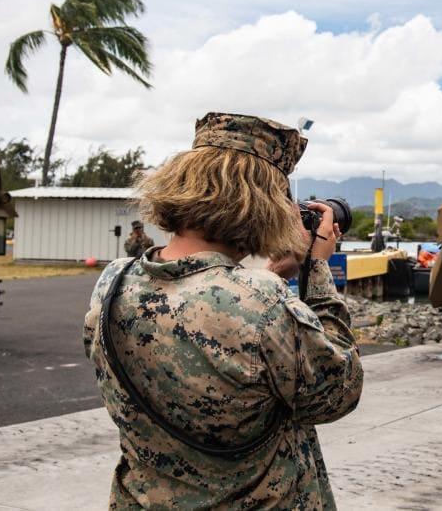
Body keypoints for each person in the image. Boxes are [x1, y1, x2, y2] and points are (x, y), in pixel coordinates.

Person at [83, 112, 363, 509]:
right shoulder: (261, 301)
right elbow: (337, 393)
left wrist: (270, 279)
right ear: (259, 203)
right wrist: (316, 268)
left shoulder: (113, 281)